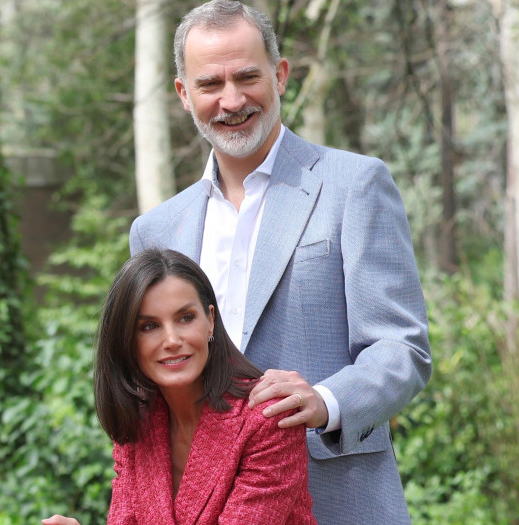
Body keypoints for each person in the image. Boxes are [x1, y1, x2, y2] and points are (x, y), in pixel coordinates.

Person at [128, 1, 432, 523]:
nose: (231, 100)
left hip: (335, 501)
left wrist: (325, 400)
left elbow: (402, 348)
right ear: (183, 94)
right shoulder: (156, 230)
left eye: (248, 77)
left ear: (281, 75)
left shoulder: (354, 185)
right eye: (210, 84)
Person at [44, 248, 316, 525]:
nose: (172, 340)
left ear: (210, 321)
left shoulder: (269, 418)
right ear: (127, 341)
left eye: (185, 318)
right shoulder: (139, 420)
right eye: (149, 326)